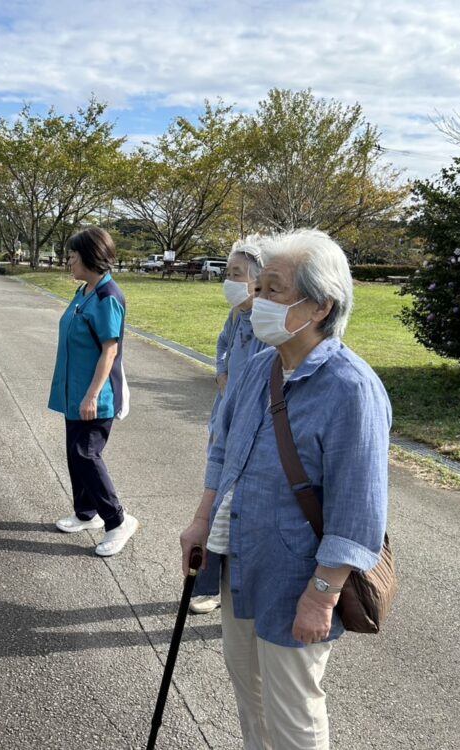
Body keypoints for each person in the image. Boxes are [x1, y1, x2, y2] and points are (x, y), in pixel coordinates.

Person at [179, 229, 391, 749]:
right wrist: (202, 520)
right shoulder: (259, 366)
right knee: (248, 692)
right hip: (240, 561)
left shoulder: (351, 388)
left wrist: (321, 597)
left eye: (273, 289)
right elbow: (224, 450)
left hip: (298, 577)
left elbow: (358, 512)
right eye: (260, 286)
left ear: (319, 306)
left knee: (293, 709)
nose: (256, 299)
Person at [48, 226, 138, 557]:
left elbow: (109, 350)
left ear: (89, 257)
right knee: (75, 453)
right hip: (76, 392)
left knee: (87, 453)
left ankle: (117, 520)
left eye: (72, 256)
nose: (68, 262)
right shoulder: (85, 291)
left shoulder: (107, 297)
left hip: (96, 396)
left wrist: (92, 395)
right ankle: (87, 513)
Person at [190, 235, 268, 616]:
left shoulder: (270, 325)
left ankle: (213, 586)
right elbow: (222, 344)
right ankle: (208, 584)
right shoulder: (238, 314)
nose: (229, 280)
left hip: (248, 428)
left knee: (226, 505)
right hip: (224, 418)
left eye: (235, 273)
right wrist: (221, 374)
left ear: (259, 279)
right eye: (229, 272)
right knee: (214, 499)